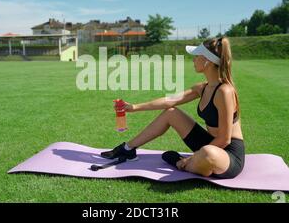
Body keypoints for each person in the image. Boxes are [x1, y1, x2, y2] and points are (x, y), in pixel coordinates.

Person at [101, 37, 245, 179]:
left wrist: (192, 158)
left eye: (196, 56)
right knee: (171, 113)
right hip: (209, 142)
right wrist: (133, 107)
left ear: (207, 61)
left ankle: (180, 162)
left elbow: (224, 139)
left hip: (228, 154)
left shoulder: (224, 91)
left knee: (208, 153)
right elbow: (169, 101)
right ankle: (127, 149)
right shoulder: (203, 88)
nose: (193, 60)